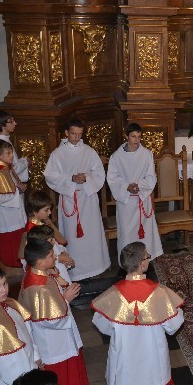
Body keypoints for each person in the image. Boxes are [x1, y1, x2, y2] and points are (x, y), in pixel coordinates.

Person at [91, 242, 185, 385]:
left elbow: (102, 326)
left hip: (123, 358)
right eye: (147, 256)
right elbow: (173, 326)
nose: (149, 259)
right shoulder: (159, 293)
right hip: (153, 359)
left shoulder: (112, 295)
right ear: (142, 264)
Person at [19, 239, 89, 385]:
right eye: (51, 255)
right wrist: (66, 299)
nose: (55, 257)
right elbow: (51, 320)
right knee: (59, 369)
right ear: (40, 261)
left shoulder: (37, 274)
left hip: (50, 335)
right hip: (51, 338)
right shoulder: (38, 286)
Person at [43, 119, 110, 281]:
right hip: (70, 198)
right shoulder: (58, 154)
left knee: (91, 234)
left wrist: (86, 177)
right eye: (73, 133)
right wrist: (71, 178)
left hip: (88, 198)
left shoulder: (89, 151)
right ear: (66, 133)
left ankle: (95, 267)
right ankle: (75, 270)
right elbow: (50, 175)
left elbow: (99, 173)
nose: (76, 137)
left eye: (80, 134)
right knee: (73, 236)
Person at [107, 123, 163, 261]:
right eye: (133, 136)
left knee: (145, 234)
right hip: (126, 201)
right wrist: (127, 186)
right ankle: (128, 262)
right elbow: (112, 179)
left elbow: (151, 177)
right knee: (127, 233)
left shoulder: (146, 154)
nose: (136, 140)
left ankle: (145, 261)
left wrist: (139, 186)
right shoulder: (116, 157)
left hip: (142, 198)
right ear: (127, 136)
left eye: (139, 136)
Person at [0, 139, 28, 268]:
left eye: (11, 152)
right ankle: (12, 267)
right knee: (11, 246)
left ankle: (21, 265)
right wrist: (18, 191)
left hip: (15, 214)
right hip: (7, 218)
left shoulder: (7, 169)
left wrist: (18, 188)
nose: (12, 156)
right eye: (8, 153)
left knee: (19, 242)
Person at [18, 190, 74, 275]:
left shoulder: (42, 224)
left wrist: (62, 253)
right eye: (46, 210)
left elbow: (63, 242)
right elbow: (34, 259)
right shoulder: (32, 231)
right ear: (35, 211)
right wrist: (59, 258)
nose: (50, 212)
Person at [0, 109, 29, 183]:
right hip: (6, 183)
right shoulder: (1, 144)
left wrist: (23, 161)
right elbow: (12, 168)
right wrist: (26, 162)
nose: (15, 123)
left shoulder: (3, 139)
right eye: (11, 121)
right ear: (2, 125)